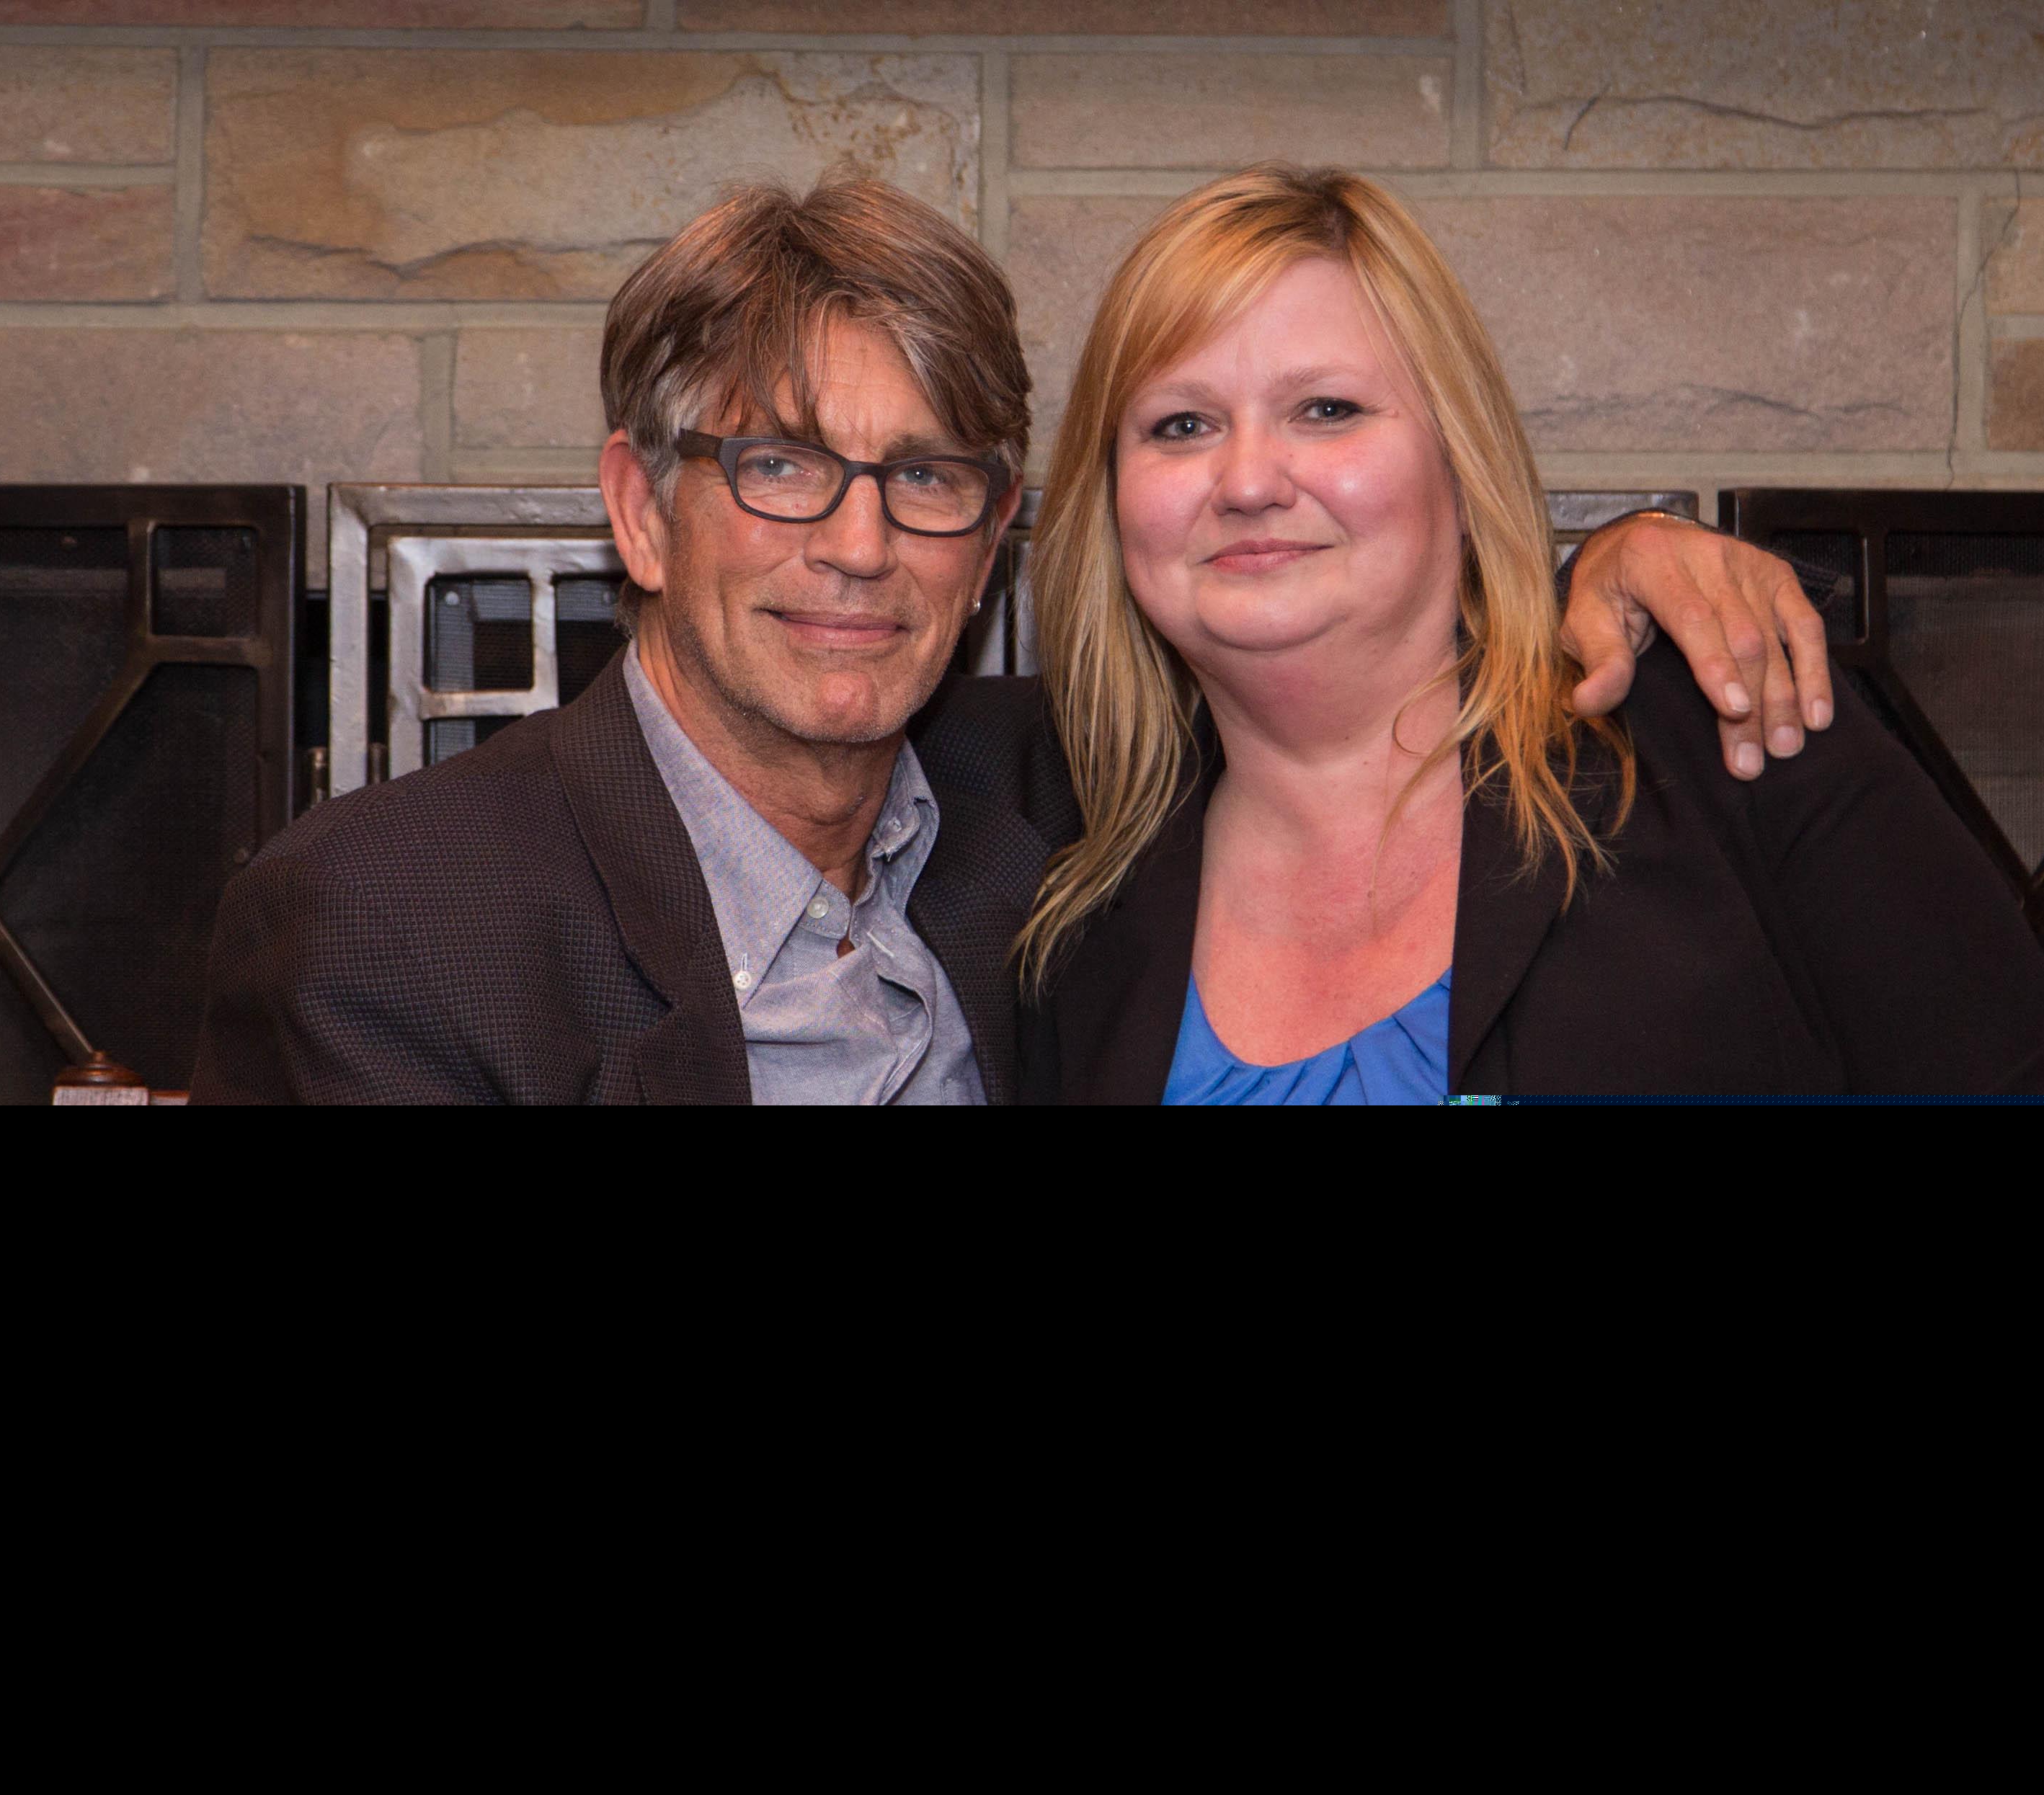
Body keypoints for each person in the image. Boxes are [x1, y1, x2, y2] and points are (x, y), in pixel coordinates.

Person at [190, 174, 1838, 1105]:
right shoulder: (386, 926)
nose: (854, 546)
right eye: (776, 465)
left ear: (992, 540)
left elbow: (1340, 668)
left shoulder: (1050, 815)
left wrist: (1610, 564)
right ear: (638, 508)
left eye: (923, 477)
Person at [1013, 166, 2044, 1103]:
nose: (1246, 481)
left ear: (1459, 465)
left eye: (1327, 409)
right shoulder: (1061, 877)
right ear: (1111, 502)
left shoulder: (1722, 721)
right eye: (1180, 425)